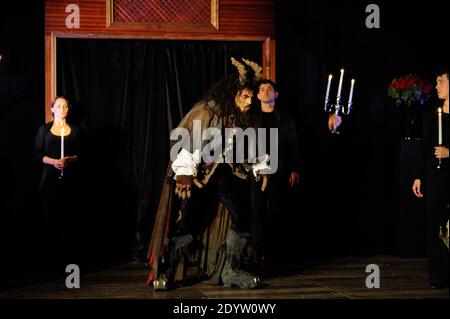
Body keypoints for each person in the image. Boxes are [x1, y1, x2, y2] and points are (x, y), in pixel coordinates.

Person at [147, 58, 268, 290]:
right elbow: (187, 140)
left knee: (244, 217)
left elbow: (251, 144)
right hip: (201, 175)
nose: (250, 101)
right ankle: (169, 268)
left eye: (252, 96)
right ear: (233, 93)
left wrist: (261, 165)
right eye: (245, 96)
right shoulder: (208, 110)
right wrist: (184, 173)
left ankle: (230, 269)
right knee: (190, 222)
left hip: (228, 172)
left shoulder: (244, 116)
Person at [250, 79, 300, 272]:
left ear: (276, 95)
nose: (265, 91)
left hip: (279, 172)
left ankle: (276, 259)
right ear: (258, 96)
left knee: (277, 213)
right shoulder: (252, 118)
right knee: (257, 215)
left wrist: (295, 168)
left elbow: (293, 144)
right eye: (261, 89)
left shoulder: (285, 119)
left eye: (269, 89)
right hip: (257, 174)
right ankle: (257, 258)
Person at [412, 68, 449, 289]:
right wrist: (417, 176)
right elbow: (424, 147)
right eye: (436, 82)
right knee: (436, 225)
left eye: (441, 82)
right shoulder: (432, 115)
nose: (437, 86)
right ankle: (438, 274)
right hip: (436, 177)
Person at [35, 96, 81, 270]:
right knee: (50, 217)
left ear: (68, 110)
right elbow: (38, 154)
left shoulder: (75, 131)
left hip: (71, 182)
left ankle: (68, 259)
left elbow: (80, 154)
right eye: (58, 106)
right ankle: (51, 260)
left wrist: (69, 160)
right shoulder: (44, 130)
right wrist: (54, 161)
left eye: (65, 106)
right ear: (52, 109)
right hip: (49, 181)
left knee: (69, 219)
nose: (62, 108)